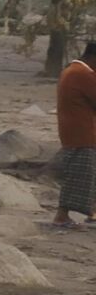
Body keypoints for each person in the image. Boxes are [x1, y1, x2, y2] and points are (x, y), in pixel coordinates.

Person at [52, 39, 96, 228]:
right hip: (83, 134)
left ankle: (90, 213)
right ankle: (62, 216)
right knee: (80, 176)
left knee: (85, 175)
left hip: (76, 132)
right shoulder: (82, 74)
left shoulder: (71, 70)